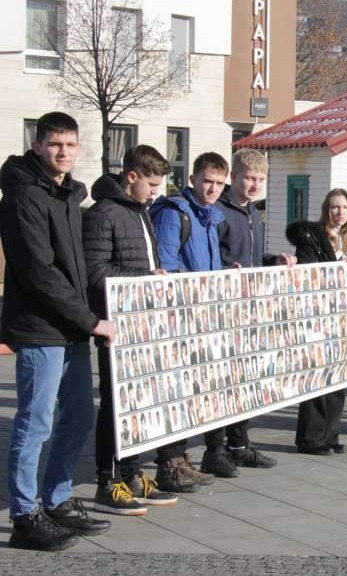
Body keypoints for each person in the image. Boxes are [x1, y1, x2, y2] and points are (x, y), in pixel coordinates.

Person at [1, 111, 113, 550]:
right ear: (37, 145)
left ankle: (58, 499)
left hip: (71, 326)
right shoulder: (23, 195)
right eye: (54, 144)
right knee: (35, 422)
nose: (63, 151)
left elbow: (77, 267)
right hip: (40, 327)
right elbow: (39, 272)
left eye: (69, 144)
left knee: (80, 414)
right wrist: (90, 320)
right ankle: (24, 515)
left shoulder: (67, 195)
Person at [83, 145, 179, 516]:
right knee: (114, 403)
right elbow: (96, 272)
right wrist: (145, 278)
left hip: (142, 322)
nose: (156, 191)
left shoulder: (141, 212)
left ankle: (131, 472)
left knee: (138, 402)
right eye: (152, 184)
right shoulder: (104, 213)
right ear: (132, 176)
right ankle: (107, 481)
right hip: (115, 324)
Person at [148, 152, 229, 490]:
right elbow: (168, 264)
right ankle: (168, 464)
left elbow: (208, 265)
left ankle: (181, 459)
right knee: (174, 391)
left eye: (218, 183)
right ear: (194, 179)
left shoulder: (210, 216)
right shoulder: (175, 213)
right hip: (179, 315)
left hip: (201, 315)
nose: (212, 188)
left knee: (189, 393)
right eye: (207, 181)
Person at [211, 148, 291, 470]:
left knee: (244, 380)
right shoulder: (218, 211)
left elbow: (251, 258)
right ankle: (216, 448)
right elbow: (209, 257)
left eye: (260, 179)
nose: (255, 185)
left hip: (250, 307)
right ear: (234, 177)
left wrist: (274, 260)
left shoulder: (253, 212)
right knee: (221, 381)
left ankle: (240, 442)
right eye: (249, 178)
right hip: (223, 307)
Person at [288, 188, 347, 453]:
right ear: (326, 210)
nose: (339, 212)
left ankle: (330, 433)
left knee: (338, 377)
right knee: (317, 376)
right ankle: (311, 437)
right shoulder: (312, 238)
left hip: (343, 314)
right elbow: (308, 270)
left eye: (344, 208)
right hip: (319, 314)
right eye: (334, 207)